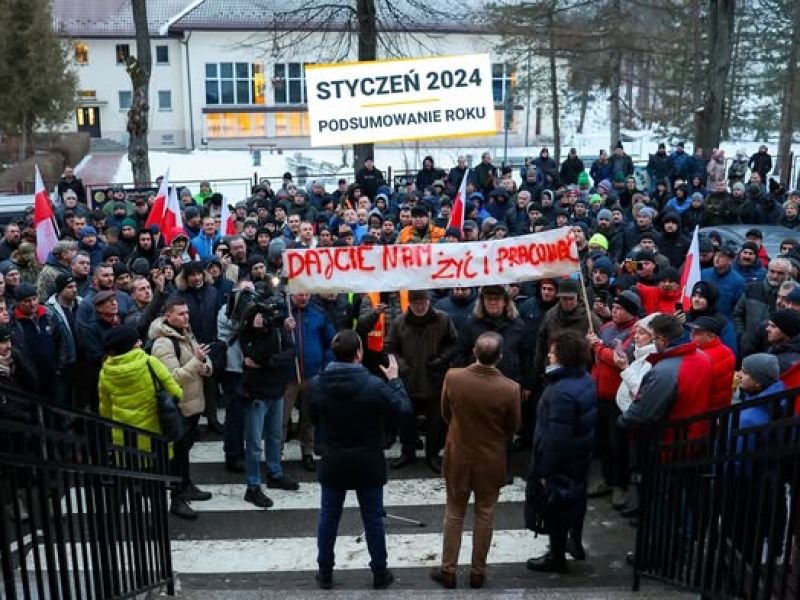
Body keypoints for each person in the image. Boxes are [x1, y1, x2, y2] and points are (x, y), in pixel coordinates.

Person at [309, 329, 412, 590]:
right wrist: (395, 380)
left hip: (334, 459)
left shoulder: (318, 383)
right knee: (373, 518)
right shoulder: (373, 385)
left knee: (329, 517)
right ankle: (379, 572)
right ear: (359, 353)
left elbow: (312, 416)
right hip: (367, 460)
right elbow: (403, 410)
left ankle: (325, 572)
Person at [430, 332, 520, 590]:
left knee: (454, 513)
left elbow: (446, 412)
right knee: (485, 514)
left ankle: (448, 569)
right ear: (500, 356)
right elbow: (513, 427)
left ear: (474, 351)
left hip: (459, 453)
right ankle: (478, 572)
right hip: (491, 457)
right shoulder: (510, 389)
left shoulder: (453, 377)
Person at [525, 330, 597, 574]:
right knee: (576, 500)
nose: (549, 355)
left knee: (556, 506)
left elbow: (556, 438)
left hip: (562, 461)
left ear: (564, 356)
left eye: (553, 352)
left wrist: (544, 470)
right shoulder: (585, 378)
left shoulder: (560, 392)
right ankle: (574, 543)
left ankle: (556, 556)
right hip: (579, 454)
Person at [149, 296, 214, 520]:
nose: (186, 317)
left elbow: (202, 357)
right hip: (179, 407)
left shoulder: (186, 333)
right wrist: (197, 362)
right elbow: (172, 378)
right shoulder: (163, 343)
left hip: (192, 404)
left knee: (184, 451)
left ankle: (186, 485)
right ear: (168, 316)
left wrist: (205, 366)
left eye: (187, 313)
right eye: (181, 314)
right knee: (177, 455)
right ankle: (177, 498)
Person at [385, 289, 458, 473]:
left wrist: (442, 359)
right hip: (408, 380)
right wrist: (402, 366)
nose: (419, 307)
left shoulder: (443, 319)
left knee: (435, 423)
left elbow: (453, 343)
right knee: (406, 421)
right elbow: (390, 348)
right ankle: (407, 453)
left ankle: (432, 455)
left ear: (429, 301)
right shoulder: (399, 322)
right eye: (415, 304)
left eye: (423, 303)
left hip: (435, 380)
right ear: (409, 304)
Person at [239, 291, 300, 508]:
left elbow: (292, 351)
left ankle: (275, 472)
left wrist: (269, 362)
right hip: (256, 392)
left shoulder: (279, 327)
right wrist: (261, 333)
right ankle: (253, 485)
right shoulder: (247, 332)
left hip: (276, 388)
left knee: (275, 437)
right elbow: (255, 355)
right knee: (255, 443)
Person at [98, 325, 183, 450]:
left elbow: (105, 410)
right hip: (155, 434)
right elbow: (176, 392)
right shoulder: (150, 362)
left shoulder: (106, 371)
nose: (141, 342)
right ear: (130, 346)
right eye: (137, 341)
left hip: (124, 437)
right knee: (158, 461)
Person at [688, 316, 735, 410]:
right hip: (719, 407)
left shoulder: (701, 357)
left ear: (711, 335)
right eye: (692, 331)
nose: (691, 335)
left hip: (705, 409)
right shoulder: (727, 351)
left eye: (697, 333)